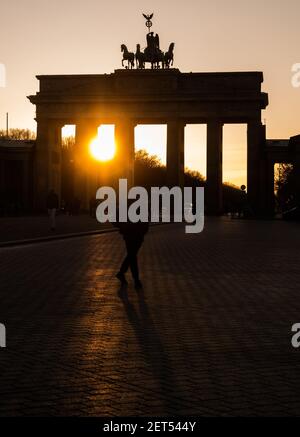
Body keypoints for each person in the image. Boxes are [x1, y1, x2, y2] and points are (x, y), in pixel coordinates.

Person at [115, 204, 149, 289]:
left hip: (135, 234)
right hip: (133, 234)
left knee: (131, 255)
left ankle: (122, 273)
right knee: (132, 256)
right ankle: (136, 280)